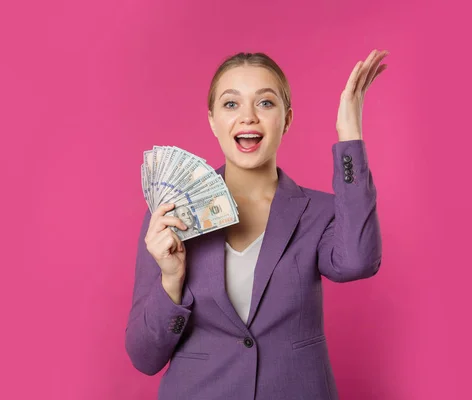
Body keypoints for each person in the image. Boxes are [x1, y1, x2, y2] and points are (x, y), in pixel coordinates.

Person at [125, 49, 387, 399]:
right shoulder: (170, 215)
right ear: (212, 120)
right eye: (231, 104)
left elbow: (357, 262)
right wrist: (171, 280)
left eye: (265, 103)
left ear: (287, 118)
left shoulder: (319, 212)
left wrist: (349, 134)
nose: (248, 117)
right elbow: (144, 357)